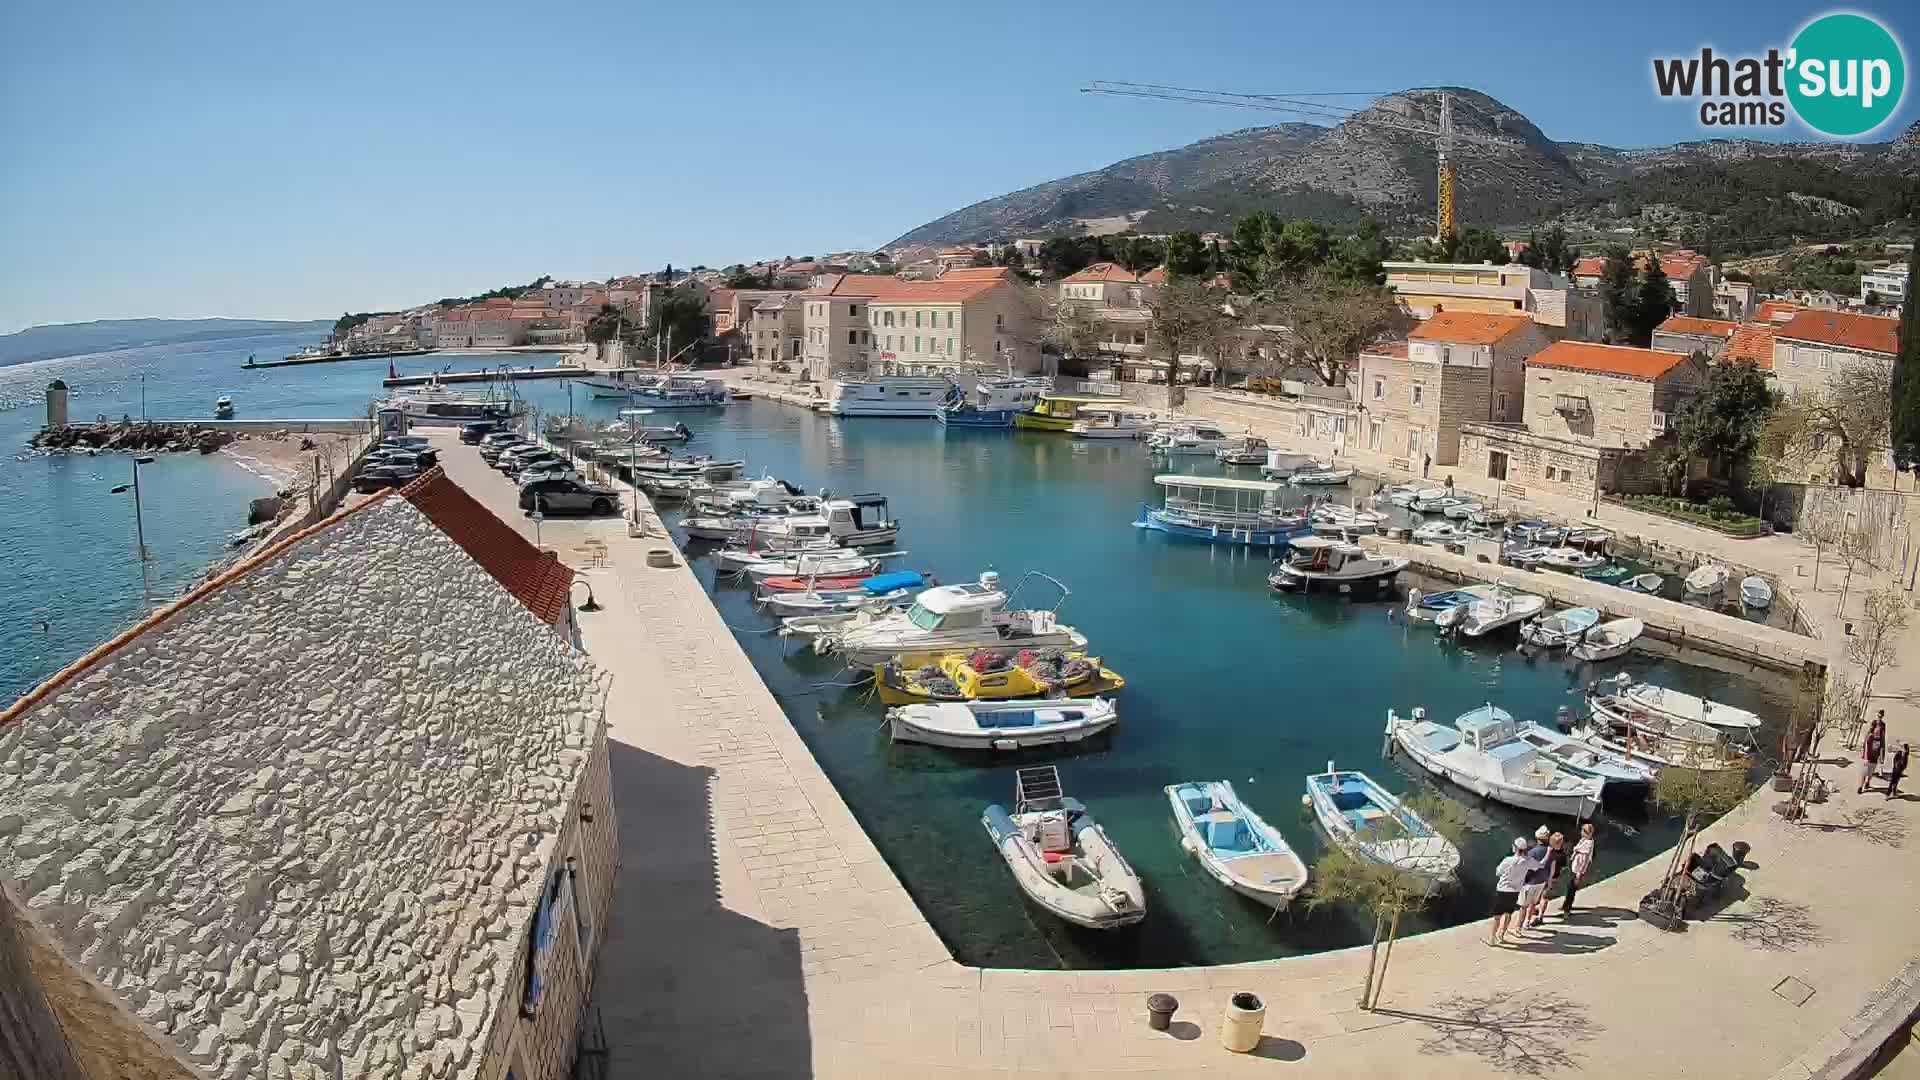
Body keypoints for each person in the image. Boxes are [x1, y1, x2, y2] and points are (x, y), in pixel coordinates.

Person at [1489, 836, 1532, 945]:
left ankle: (1492, 938)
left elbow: (1498, 872)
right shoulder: (1527, 861)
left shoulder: (1508, 860)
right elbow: (1539, 866)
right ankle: (1501, 936)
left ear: (1515, 848)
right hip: (1515, 891)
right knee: (1508, 913)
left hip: (1503, 890)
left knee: (1497, 916)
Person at [1526, 829, 1564, 929]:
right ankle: (1540, 916)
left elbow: (1551, 866)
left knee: (1538, 898)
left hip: (1545, 877)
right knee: (1544, 897)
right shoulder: (1561, 854)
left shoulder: (1549, 851)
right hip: (1553, 877)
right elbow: (1560, 866)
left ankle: (1537, 916)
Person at [1517, 826, 1551, 931]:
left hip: (1530, 883)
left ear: (1537, 838)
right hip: (1541, 881)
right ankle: (1527, 922)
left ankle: (1518, 927)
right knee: (1533, 904)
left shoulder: (1533, 852)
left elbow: (1526, 868)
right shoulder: (1550, 850)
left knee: (1523, 906)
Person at [1560, 823, 1597, 918]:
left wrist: (1578, 875)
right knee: (1569, 888)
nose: (1580, 832)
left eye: (1582, 831)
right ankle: (1565, 906)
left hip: (1576, 871)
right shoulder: (1586, 840)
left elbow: (1583, 862)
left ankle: (1566, 910)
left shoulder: (1586, 847)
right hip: (1574, 867)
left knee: (1570, 890)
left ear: (1586, 833)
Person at [1860, 718, 1886, 793]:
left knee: (1871, 773)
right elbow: (1866, 746)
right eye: (1877, 730)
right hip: (1868, 758)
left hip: (1875, 758)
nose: (1878, 732)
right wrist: (1865, 757)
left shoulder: (1880, 739)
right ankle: (1861, 786)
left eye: (1880, 731)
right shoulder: (1870, 737)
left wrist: (1881, 757)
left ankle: (1867, 783)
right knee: (1865, 772)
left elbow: (1881, 747)